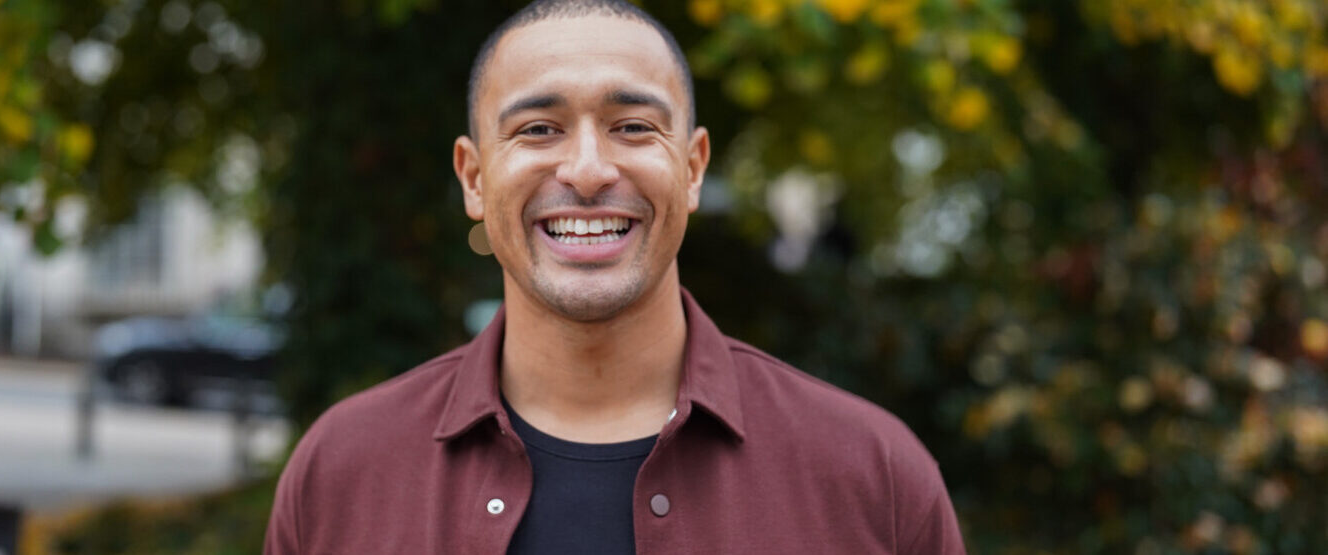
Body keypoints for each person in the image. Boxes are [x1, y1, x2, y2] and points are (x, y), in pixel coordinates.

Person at [265, 1, 964, 553]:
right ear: (474, 179)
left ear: (692, 169)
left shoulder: (875, 476)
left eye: (632, 126)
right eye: (539, 129)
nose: (590, 169)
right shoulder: (342, 470)